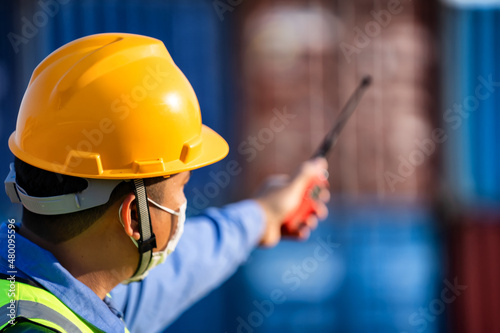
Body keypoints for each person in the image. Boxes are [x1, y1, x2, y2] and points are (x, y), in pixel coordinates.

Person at [0, 33, 329, 333]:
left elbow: (183, 268)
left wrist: (264, 215)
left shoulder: (56, 288)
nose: (181, 205)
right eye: (181, 187)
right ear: (133, 217)